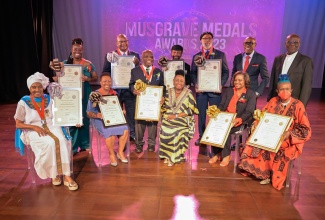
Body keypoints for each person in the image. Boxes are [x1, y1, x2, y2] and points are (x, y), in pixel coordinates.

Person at [239, 74, 311, 190]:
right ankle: (259, 171)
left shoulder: (298, 105)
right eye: (282, 89)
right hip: (269, 133)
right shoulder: (273, 101)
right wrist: (256, 124)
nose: (285, 91)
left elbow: (305, 129)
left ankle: (270, 174)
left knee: (279, 147)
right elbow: (263, 116)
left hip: (287, 138)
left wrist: (290, 133)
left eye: (287, 89)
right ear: (277, 91)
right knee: (254, 141)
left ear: (291, 90)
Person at [14, 72, 78, 190]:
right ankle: (54, 174)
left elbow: (60, 112)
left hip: (51, 125)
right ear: (29, 88)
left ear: (43, 86)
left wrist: (74, 119)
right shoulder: (23, 102)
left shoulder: (49, 98)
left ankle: (67, 176)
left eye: (39, 86)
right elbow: (18, 124)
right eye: (34, 87)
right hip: (32, 129)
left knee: (62, 141)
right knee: (49, 143)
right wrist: (34, 127)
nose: (37, 89)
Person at [56, 38, 98, 155]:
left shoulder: (88, 64)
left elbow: (96, 77)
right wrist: (57, 77)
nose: (77, 51)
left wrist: (87, 78)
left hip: (85, 93)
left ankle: (85, 144)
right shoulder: (65, 63)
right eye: (75, 49)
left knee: (84, 118)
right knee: (72, 118)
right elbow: (57, 75)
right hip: (69, 95)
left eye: (79, 49)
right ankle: (73, 146)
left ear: (82, 50)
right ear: (71, 49)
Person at [209, 71, 256, 166]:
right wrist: (216, 113)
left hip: (241, 120)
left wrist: (239, 119)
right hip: (226, 118)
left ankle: (226, 155)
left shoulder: (250, 93)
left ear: (245, 81)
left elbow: (249, 111)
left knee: (225, 129)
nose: (237, 82)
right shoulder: (229, 91)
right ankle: (217, 153)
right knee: (213, 126)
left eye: (240, 80)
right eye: (235, 80)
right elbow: (222, 105)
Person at [190, 32, 229, 146]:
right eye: (204, 38)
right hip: (201, 91)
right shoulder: (197, 56)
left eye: (209, 38)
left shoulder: (220, 55)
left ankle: (213, 137)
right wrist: (196, 84)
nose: (207, 40)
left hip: (215, 91)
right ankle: (202, 137)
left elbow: (226, 72)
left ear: (212, 40)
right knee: (201, 115)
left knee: (215, 115)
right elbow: (193, 73)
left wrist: (221, 84)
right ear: (201, 40)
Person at [102, 34, 140, 142]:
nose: (123, 43)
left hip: (130, 90)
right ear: (116, 43)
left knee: (131, 114)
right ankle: (120, 136)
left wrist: (138, 64)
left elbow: (139, 72)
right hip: (115, 90)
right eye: (120, 41)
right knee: (117, 114)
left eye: (125, 41)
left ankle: (132, 135)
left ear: (128, 42)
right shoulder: (110, 55)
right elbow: (105, 72)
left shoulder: (135, 55)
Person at [86, 73, 129, 166]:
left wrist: (122, 111)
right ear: (100, 82)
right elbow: (89, 112)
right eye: (105, 81)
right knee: (110, 131)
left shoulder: (114, 93)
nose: (107, 83)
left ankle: (120, 152)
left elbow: (116, 108)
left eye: (109, 81)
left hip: (113, 118)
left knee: (125, 129)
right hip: (98, 119)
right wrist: (98, 115)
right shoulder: (95, 95)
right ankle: (111, 154)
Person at [159, 70, 199, 167]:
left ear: (184, 82)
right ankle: (167, 155)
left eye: (181, 81)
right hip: (168, 118)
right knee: (164, 130)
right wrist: (161, 103)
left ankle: (174, 158)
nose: (179, 83)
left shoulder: (188, 93)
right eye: (177, 80)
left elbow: (191, 110)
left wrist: (176, 116)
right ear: (173, 81)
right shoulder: (168, 92)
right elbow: (164, 108)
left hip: (182, 120)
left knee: (175, 132)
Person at [129, 49, 165, 153]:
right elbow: (131, 84)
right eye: (146, 56)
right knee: (139, 124)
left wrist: (162, 96)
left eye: (151, 57)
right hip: (141, 103)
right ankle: (139, 144)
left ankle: (151, 144)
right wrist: (133, 90)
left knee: (153, 124)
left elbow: (162, 85)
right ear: (141, 58)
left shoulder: (158, 72)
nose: (149, 58)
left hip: (154, 104)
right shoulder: (135, 71)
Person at [267, 34, 313, 106]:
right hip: (276, 99)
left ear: (299, 44)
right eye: (289, 42)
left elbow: (306, 86)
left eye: (295, 42)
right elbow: (272, 80)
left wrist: (301, 105)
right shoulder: (278, 59)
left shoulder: (306, 61)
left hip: (294, 101)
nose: (292, 44)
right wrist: (269, 99)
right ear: (285, 44)